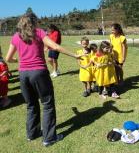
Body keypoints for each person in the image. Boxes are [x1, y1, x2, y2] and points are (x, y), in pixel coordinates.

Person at [5, 13, 82, 147]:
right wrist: (75, 55)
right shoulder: (39, 33)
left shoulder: (16, 36)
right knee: (47, 105)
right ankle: (49, 138)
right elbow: (56, 47)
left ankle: (32, 134)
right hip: (39, 73)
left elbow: (8, 58)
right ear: (34, 22)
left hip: (23, 75)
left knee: (31, 105)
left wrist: (20, 60)